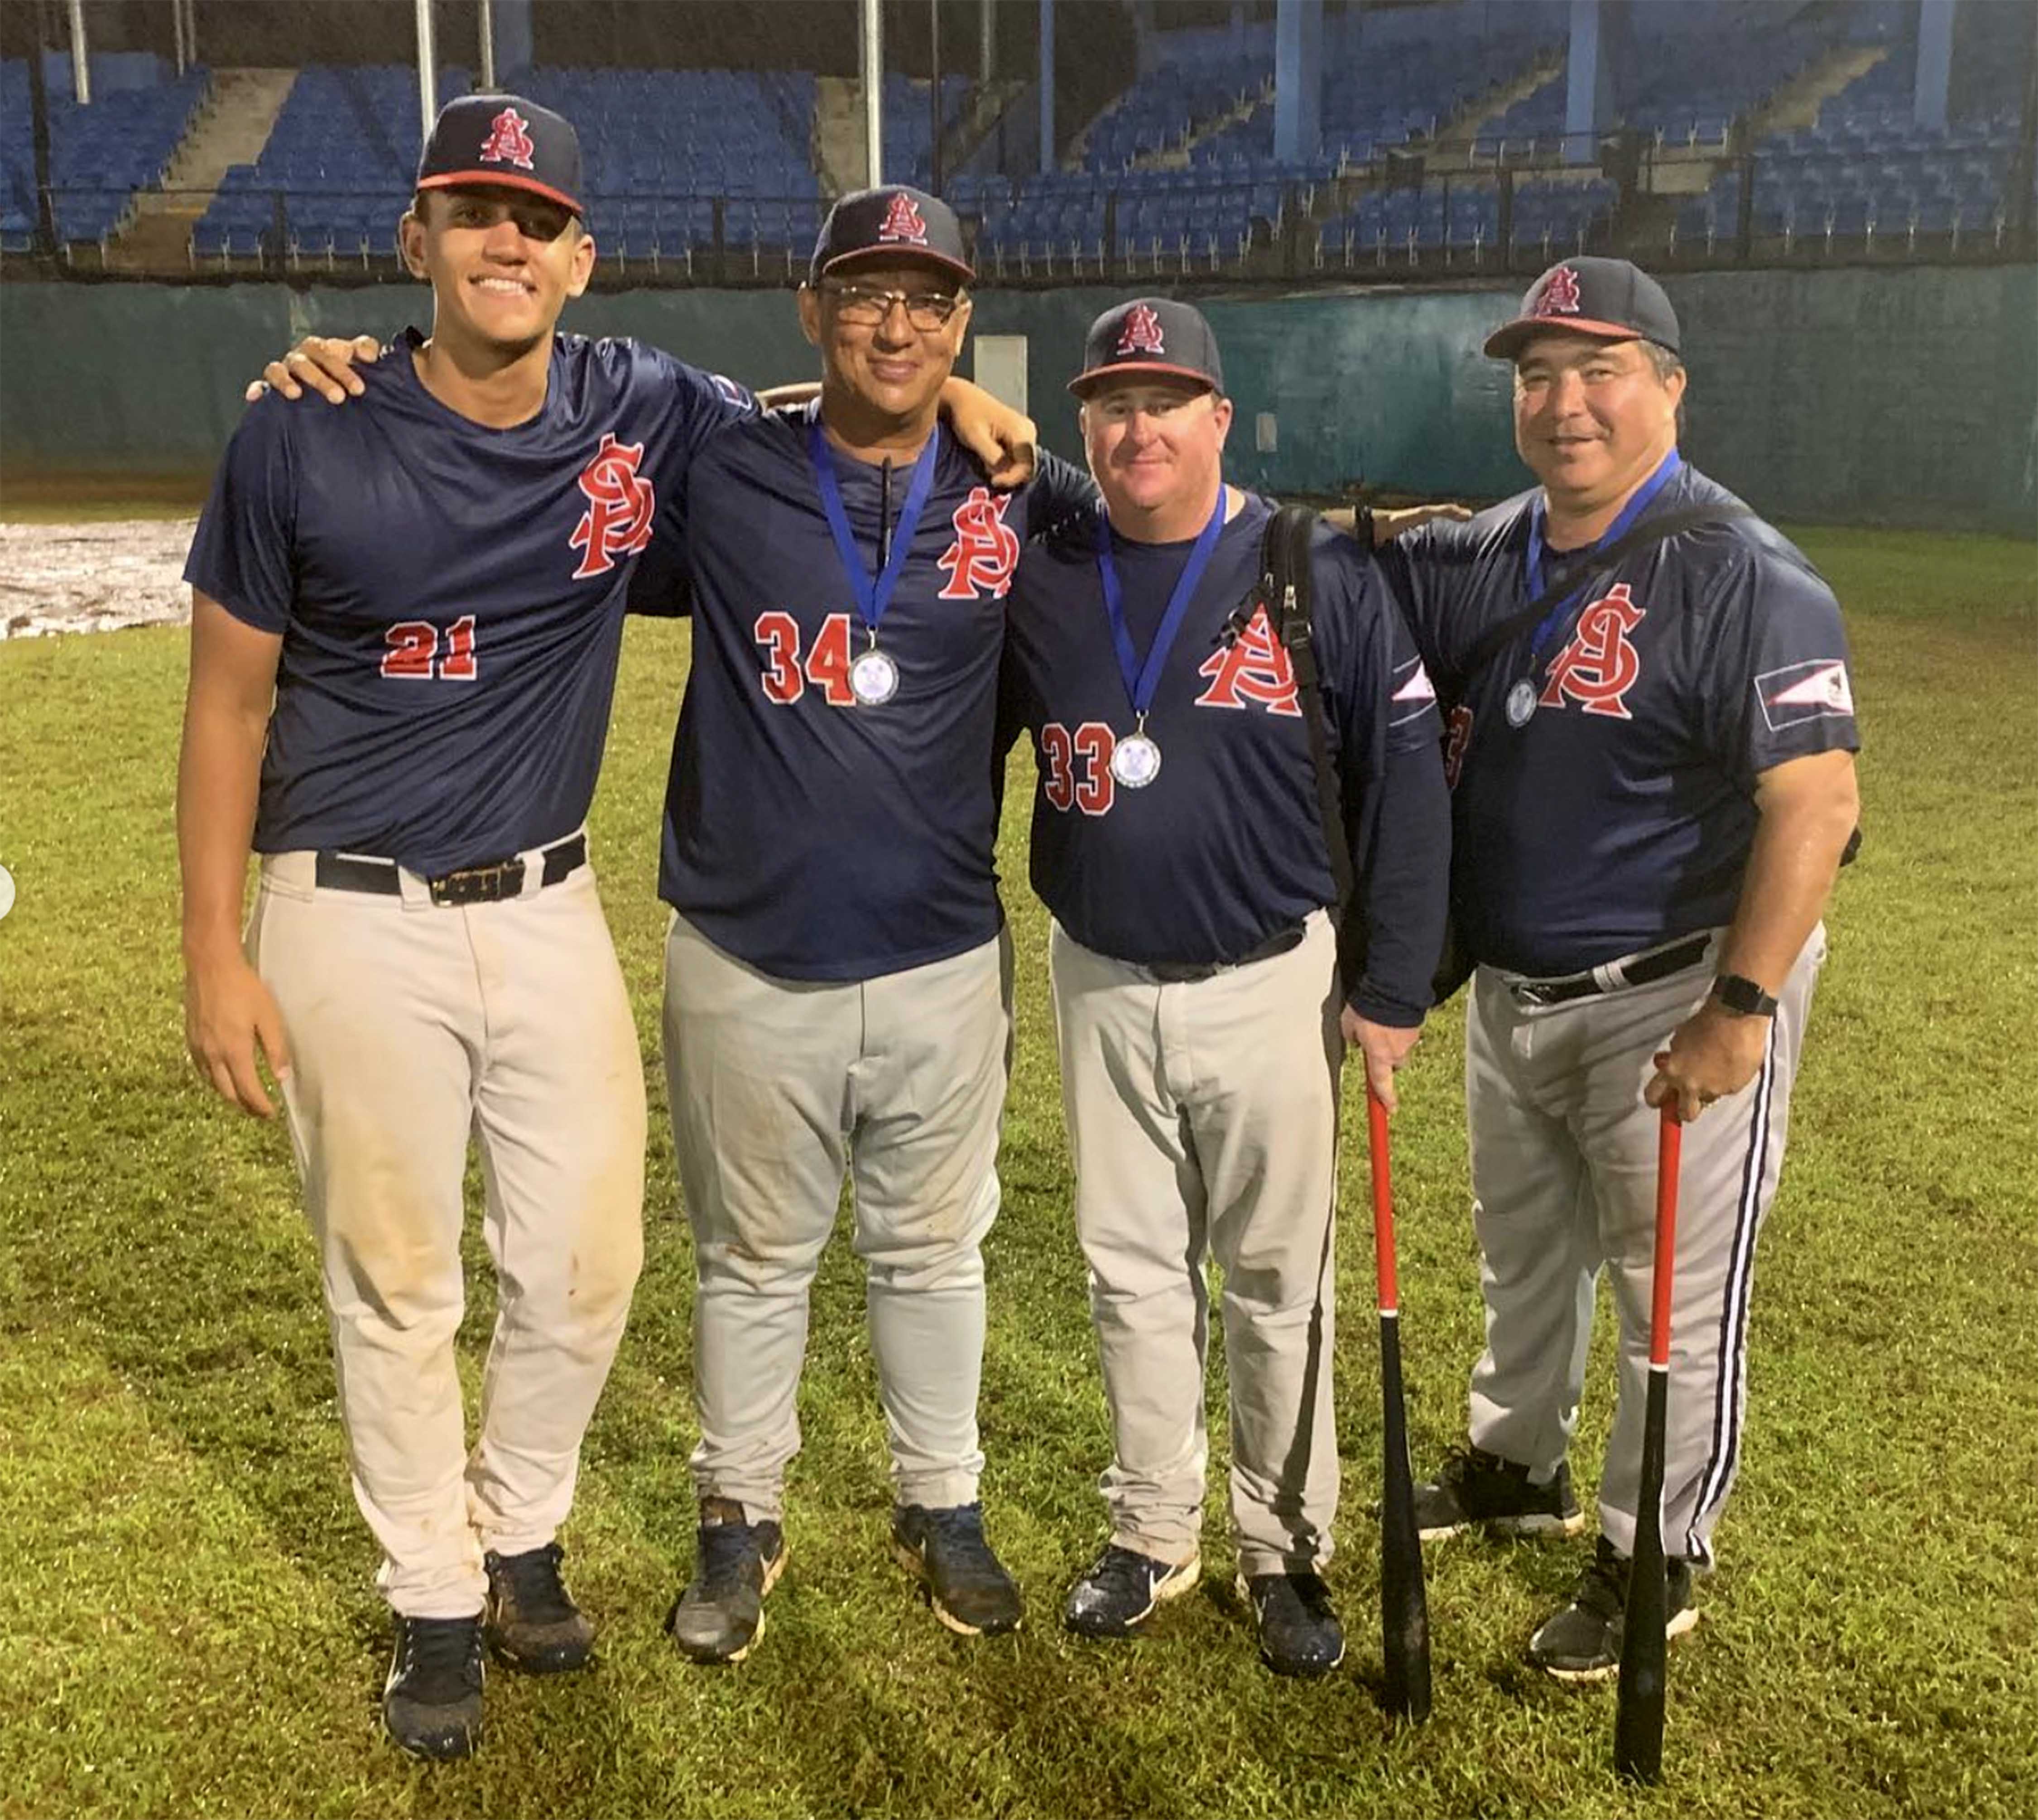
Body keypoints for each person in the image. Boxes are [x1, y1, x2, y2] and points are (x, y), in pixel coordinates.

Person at [185, 106, 1027, 1758]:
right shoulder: (303, 427)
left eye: (539, 219)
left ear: (583, 256)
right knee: (398, 1276)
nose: (508, 242)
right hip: (347, 906)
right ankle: (437, 1591)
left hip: (550, 891)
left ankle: (521, 1534)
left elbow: (832, 418)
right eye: (474, 210)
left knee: (587, 1265)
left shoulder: (641, 407)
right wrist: (212, 949)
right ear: (416, 236)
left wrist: (964, 393)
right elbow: (225, 707)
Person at [1377, 258, 1861, 1680]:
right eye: (1537, 374)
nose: (1563, 401)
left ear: (1667, 384)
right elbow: (1293, 572)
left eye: (1598, 369)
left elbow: (1814, 806)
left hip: (1675, 987)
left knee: (1675, 1294)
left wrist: (1738, 1010)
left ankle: (1654, 1545)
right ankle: (1512, 1462)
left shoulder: (1746, 572)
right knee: (1521, 1254)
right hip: (1516, 991)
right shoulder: (1483, 550)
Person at [655, 187, 1102, 1665]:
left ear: (962, 321)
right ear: (810, 307)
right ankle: (738, 1511)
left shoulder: (1017, 493)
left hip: (936, 948)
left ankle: (942, 1501)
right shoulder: (722, 471)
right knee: (748, 1258)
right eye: (865, 292)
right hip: (745, 948)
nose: (896, 324)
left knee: (933, 1253)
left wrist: (980, 410)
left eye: (928, 301)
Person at [996, 299, 1452, 1676]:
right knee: (1128, 1273)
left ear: (1218, 420)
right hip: (1097, 974)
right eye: (1112, 402)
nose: (1138, 426)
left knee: (1276, 1283)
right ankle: (1151, 1530)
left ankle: (1285, 1547)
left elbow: (1409, 790)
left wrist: (1392, 990)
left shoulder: (1306, 566)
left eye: (1165, 398)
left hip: (1272, 982)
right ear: (1087, 425)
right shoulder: (1050, 564)